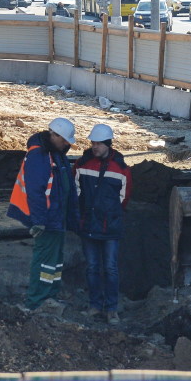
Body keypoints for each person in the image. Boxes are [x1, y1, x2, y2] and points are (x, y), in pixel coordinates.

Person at [7, 116, 78, 316]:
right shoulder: (40, 156)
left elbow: (66, 189)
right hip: (47, 219)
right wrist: (38, 221)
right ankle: (36, 301)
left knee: (54, 261)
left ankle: (50, 296)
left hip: (57, 217)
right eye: (64, 140)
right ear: (54, 135)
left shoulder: (56, 154)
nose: (67, 144)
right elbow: (36, 192)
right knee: (44, 259)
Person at [73, 123, 133, 324]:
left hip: (110, 227)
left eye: (98, 143)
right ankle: (95, 305)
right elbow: (76, 192)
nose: (94, 146)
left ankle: (111, 308)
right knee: (92, 267)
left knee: (110, 268)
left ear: (108, 144)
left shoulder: (121, 169)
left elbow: (124, 198)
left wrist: (111, 214)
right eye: (92, 142)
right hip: (89, 225)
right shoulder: (82, 165)